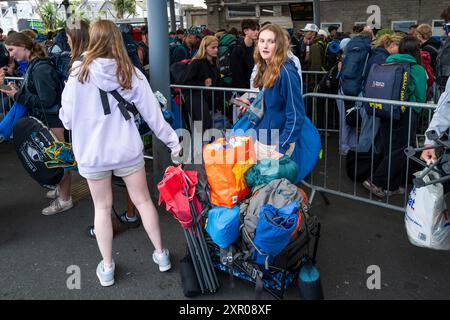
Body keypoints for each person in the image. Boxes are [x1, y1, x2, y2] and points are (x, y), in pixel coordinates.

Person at [59, 20, 182, 286]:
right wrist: (174, 142)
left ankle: (107, 267)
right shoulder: (130, 72)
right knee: (143, 202)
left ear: (92, 40)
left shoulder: (77, 73)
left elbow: (66, 120)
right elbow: (154, 116)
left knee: (101, 208)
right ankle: (161, 255)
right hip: (127, 149)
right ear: (117, 39)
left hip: (93, 154)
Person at [1, 32, 73, 215]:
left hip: (51, 119)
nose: (10, 54)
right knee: (56, 159)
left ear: (23, 46)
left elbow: (47, 100)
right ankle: (61, 191)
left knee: (60, 160)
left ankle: (65, 199)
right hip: (49, 118)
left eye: (11, 49)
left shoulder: (40, 68)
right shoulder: (38, 64)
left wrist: (17, 95)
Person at [236, 24, 305, 175]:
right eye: (261, 41)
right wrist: (252, 102)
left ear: (279, 45)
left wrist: (281, 147)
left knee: (271, 192)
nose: (265, 46)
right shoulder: (268, 66)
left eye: (270, 41)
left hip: (276, 142)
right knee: (259, 188)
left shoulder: (286, 72)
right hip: (263, 136)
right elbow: (271, 103)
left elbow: (296, 115)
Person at [363, 36, 427, 198]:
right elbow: (420, 96)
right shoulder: (416, 68)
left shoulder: (388, 61)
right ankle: (376, 181)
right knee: (402, 148)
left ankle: (391, 185)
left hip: (385, 109)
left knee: (390, 147)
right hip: (406, 112)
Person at [183, 35, 220, 132]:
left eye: (217, 47)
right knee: (201, 127)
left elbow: (218, 84)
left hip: (206, 100)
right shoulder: (197, 63)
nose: (216, 50)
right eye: (213, 47)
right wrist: (203, 84)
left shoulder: (214, 63)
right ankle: (199, 147)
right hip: (195, 99)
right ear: (205, 48)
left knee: (205, 127)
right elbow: (186, 82)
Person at [230, 19, 259, 89]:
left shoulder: (256, 48)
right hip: (243, 89)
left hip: (254, 86)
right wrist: (243, 91)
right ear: (245, 31)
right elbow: (237, 74)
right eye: (253, 29)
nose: (257, 32)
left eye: (258, 29)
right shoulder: (237, 49)